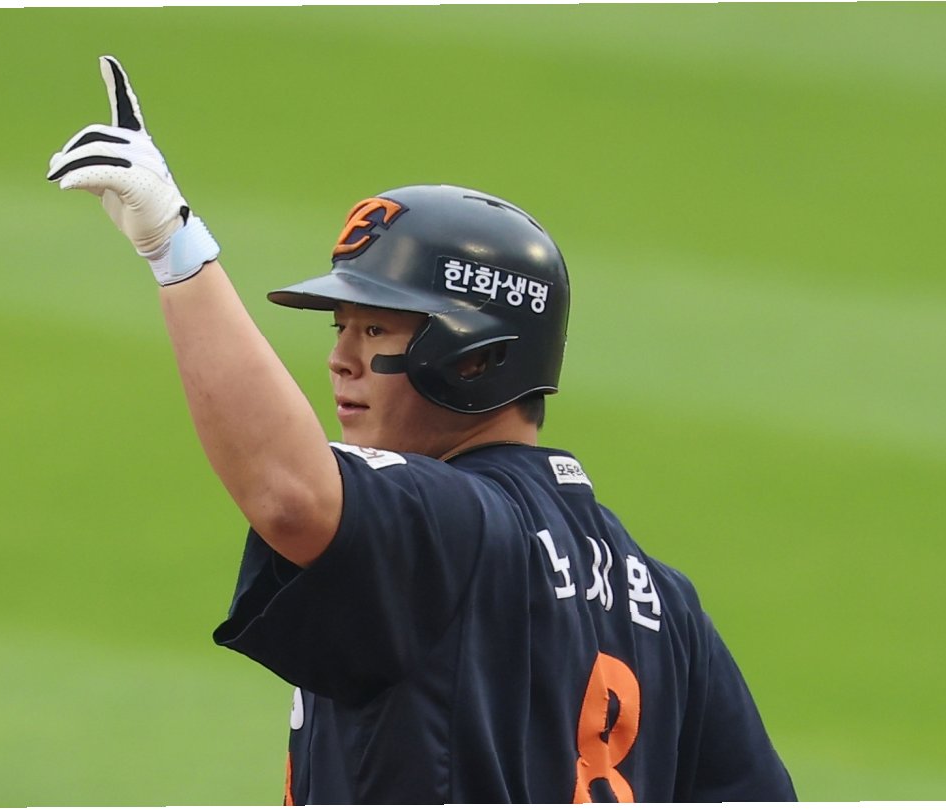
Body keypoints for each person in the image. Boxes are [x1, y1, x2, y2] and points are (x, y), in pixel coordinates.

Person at [47, 55, 797, 804]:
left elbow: (290, 494)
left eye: (375, 329)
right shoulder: (664, 602)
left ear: (476, 359)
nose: (341, 360)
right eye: (341, 327)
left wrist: (175, 250)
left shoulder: (455, 526)